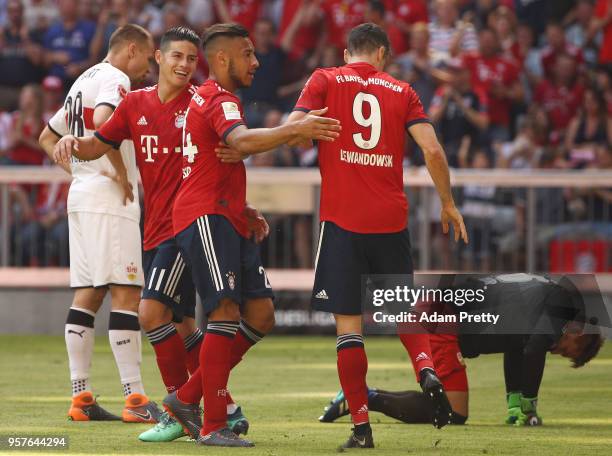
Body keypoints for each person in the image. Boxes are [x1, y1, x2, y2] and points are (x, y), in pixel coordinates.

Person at [219, 22, 467, 449]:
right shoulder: (402, 90)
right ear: (383, 55)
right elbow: (432, 150)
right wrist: (447, 202)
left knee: (349, 329)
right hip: (391, 221)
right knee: (402, 309)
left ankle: (362, 429)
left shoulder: (325, 80)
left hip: (343, 222)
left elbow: (294, 130)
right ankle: (425, 367)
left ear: (347, 51)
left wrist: (264, 142)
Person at [53, 26, 269, 443]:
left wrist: (239, 206)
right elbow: (99, 143)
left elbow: (216, 163)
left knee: (155, 314)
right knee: (184, 322)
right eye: (177, 57)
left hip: (186, 225)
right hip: (159, 229)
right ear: (158, 58)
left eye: (192, 58)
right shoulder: (134, 103)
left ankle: (186, 408)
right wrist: (70, 144)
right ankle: (216, 404)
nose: (185, 65)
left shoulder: (200, 103)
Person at [162, 23, 341, 448]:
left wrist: (241, 205)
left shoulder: (211, 99)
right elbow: (239, 142)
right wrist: (296, 130)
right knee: (223, 312)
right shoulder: (218, 99)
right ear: (222, 59)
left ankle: (187, 398)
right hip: (205, 217)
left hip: (226, 215)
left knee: (261, 315)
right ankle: (211, 425)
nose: (256, 62)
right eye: (248, 54)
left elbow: (223, 154)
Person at [38, 24, 159, 423]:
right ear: (130, 50)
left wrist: (76, 169)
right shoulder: (115, 78)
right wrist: (119, 171)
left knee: (88, 295)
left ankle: (81, 398)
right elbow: (107, 122)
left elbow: (46, 136)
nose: (149, 65)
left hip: (82, 194)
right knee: (126, 290)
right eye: (148, 55)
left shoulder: (83, 79)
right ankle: (137, 400)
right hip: (109, 197)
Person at [319, 274, 605, 427]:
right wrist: (529, 406)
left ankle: (362, 395)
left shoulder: (547, 294)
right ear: (578, 332)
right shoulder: (558, 310)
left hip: (438, 313)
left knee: (447, 405)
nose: (560, 352)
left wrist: (515, 403)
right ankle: (365, 397)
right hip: (441, 319)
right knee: (453, 413)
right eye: (569, 351)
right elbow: (533, 351)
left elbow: (519, 348)